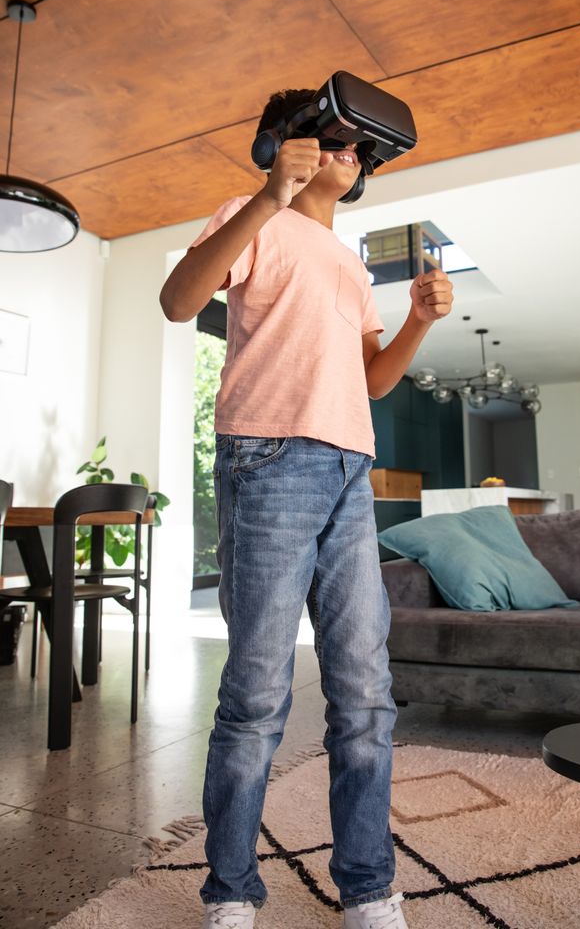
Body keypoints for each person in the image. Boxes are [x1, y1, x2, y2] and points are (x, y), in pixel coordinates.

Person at [160, 87, 454, 928]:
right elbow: (180, 302)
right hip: (271, 460)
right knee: (256, 690)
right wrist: (264, 196)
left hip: (348, 472)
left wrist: (417, 323)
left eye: (362, 149)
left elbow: (372, 380)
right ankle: (229, 890)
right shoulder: (257, 219)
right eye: (340, 139)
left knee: (365, 689)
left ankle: (367, 887)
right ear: (294, 144)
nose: (353, 154)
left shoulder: (350, 263)